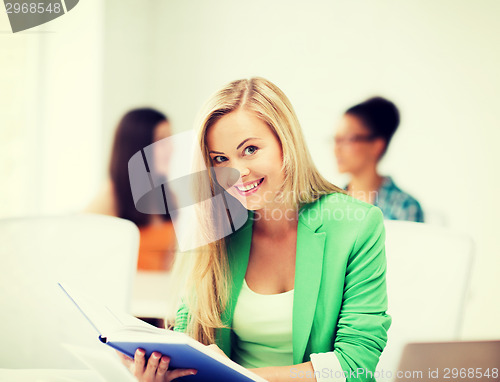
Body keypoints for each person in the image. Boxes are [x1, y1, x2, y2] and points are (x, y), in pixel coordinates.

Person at [121, 78, 391, 382]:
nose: (237, 171)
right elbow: (190, 339)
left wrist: (234, 376)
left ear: (285, 143)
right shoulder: (215, 224)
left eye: (250, 149)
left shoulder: (356, 224)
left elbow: (356, 363)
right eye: (220, 159)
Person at [86, 108, 176, 271]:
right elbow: (84, 259)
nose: (171, 148)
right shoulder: (110, 198)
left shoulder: (169, 197)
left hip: (156, 293)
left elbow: (169, 264)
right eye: (162, 141)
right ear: (139, 147)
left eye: (170, 140)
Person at [334, 97, 424, 222]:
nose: (336, 149)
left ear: (377, 146)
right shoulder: (330, 204)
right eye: (336, 140)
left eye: (348, 139)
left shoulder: (405, 206)